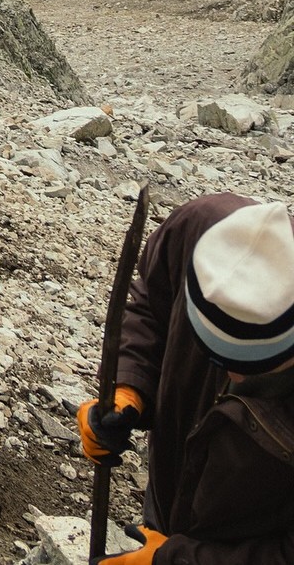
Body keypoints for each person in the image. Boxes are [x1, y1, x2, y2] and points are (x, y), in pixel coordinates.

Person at [75, 194, 294, 564]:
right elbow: (151, 303)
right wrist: (129, 387)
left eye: (253, 366)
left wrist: (177, 560)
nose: (230, 375)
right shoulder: (201, 230)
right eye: (212, 354)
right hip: (172, 493)